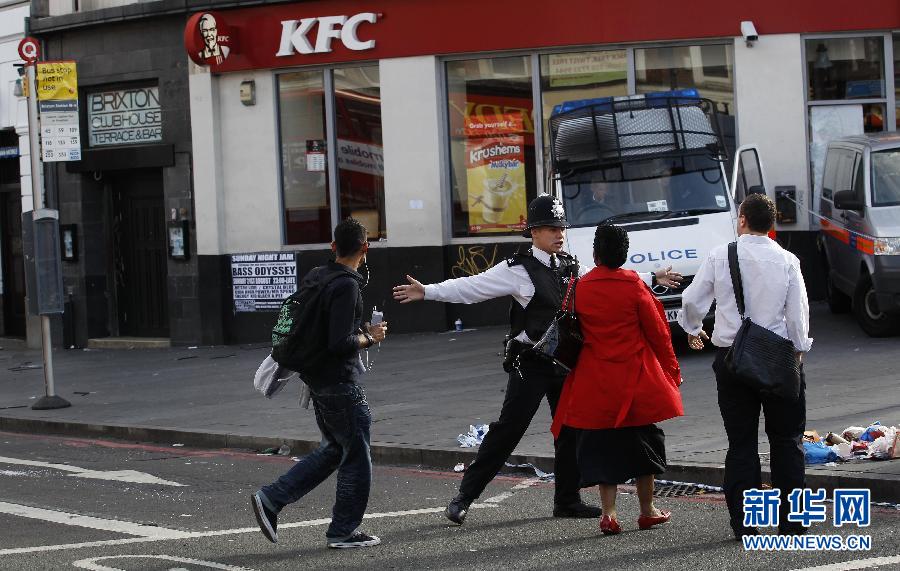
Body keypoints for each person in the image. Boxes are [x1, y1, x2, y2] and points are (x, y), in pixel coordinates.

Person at [392, 194, 681, 526]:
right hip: (528, 362)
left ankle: (567, 500)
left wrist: (651, 277)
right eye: (550, 228)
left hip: (563, 363)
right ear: (533, 232)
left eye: (561, 227)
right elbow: (472, 287)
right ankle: (464, 498)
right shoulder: (517, 268)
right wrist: (428, 291)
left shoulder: (571, 265)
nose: (559, 233)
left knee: (571, 430)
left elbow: (608, 279)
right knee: (509, 430)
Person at [677, 193, 812, 540]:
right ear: (773, 225)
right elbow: (798, 317)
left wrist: (693, 329)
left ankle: (745, 525)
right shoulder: (788, 261)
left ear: (742, 220)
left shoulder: (721, 255)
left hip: (733, 359)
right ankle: (793, 524)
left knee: (741, 444)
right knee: (786, 441)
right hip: (780, 360)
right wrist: (798, 351)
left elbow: (692, 299)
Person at [251, 218, 388, 549]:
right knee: (357, 453)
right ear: (365, 248)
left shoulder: (318, 275)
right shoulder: (346, 286)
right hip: (338, 383)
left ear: (332, 247)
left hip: (316, 380)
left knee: (335, 449)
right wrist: (370, 336)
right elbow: (339, 343)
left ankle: (272, 500)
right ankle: (342, 530)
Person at [551, 224, 683, 535]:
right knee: (644, 444)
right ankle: (647, 510)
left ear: (595, 254)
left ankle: (608, 514)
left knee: (601, 445)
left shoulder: (580, 287)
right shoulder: (634, 285)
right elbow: (659, 333)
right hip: (634, 379)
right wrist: (672, 371)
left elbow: (571, 330)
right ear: (624, 255)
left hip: (594, 380)